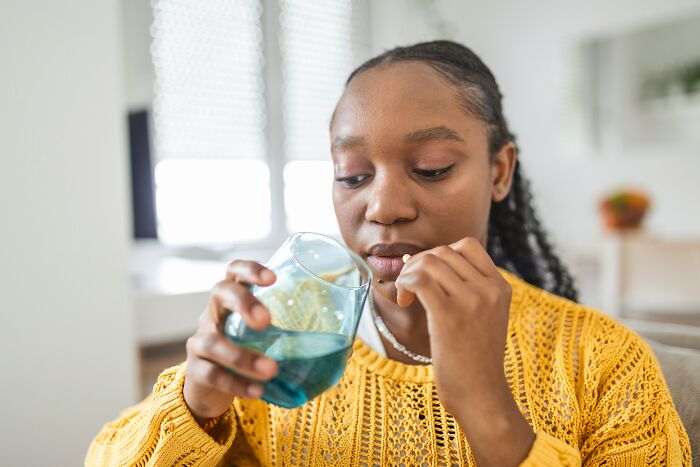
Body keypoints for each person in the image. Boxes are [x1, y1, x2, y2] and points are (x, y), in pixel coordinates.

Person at [86, 41, 691, 466]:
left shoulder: (606, 364)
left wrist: (487, 410)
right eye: (352, 176)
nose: (383, 206)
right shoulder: (277, 352)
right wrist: (196, 403)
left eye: (431, 168)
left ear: (500, 171)